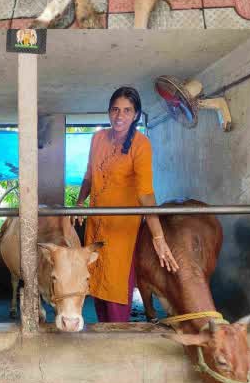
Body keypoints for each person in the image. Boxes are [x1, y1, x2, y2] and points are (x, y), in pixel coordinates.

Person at [75, 86, 179, 322]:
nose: (119, 116)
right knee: (97, 284)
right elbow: (89, 176)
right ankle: (104, 335)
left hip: (122, 229)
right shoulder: (97, 138)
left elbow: (145, 194)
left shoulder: (141, 145)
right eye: (115, 109)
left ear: (136, 115)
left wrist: (158, 236)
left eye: (127, 110)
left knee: (115, 288)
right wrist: (80, 202)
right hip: (96, 224)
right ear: (109, 112)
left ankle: (119, 338)